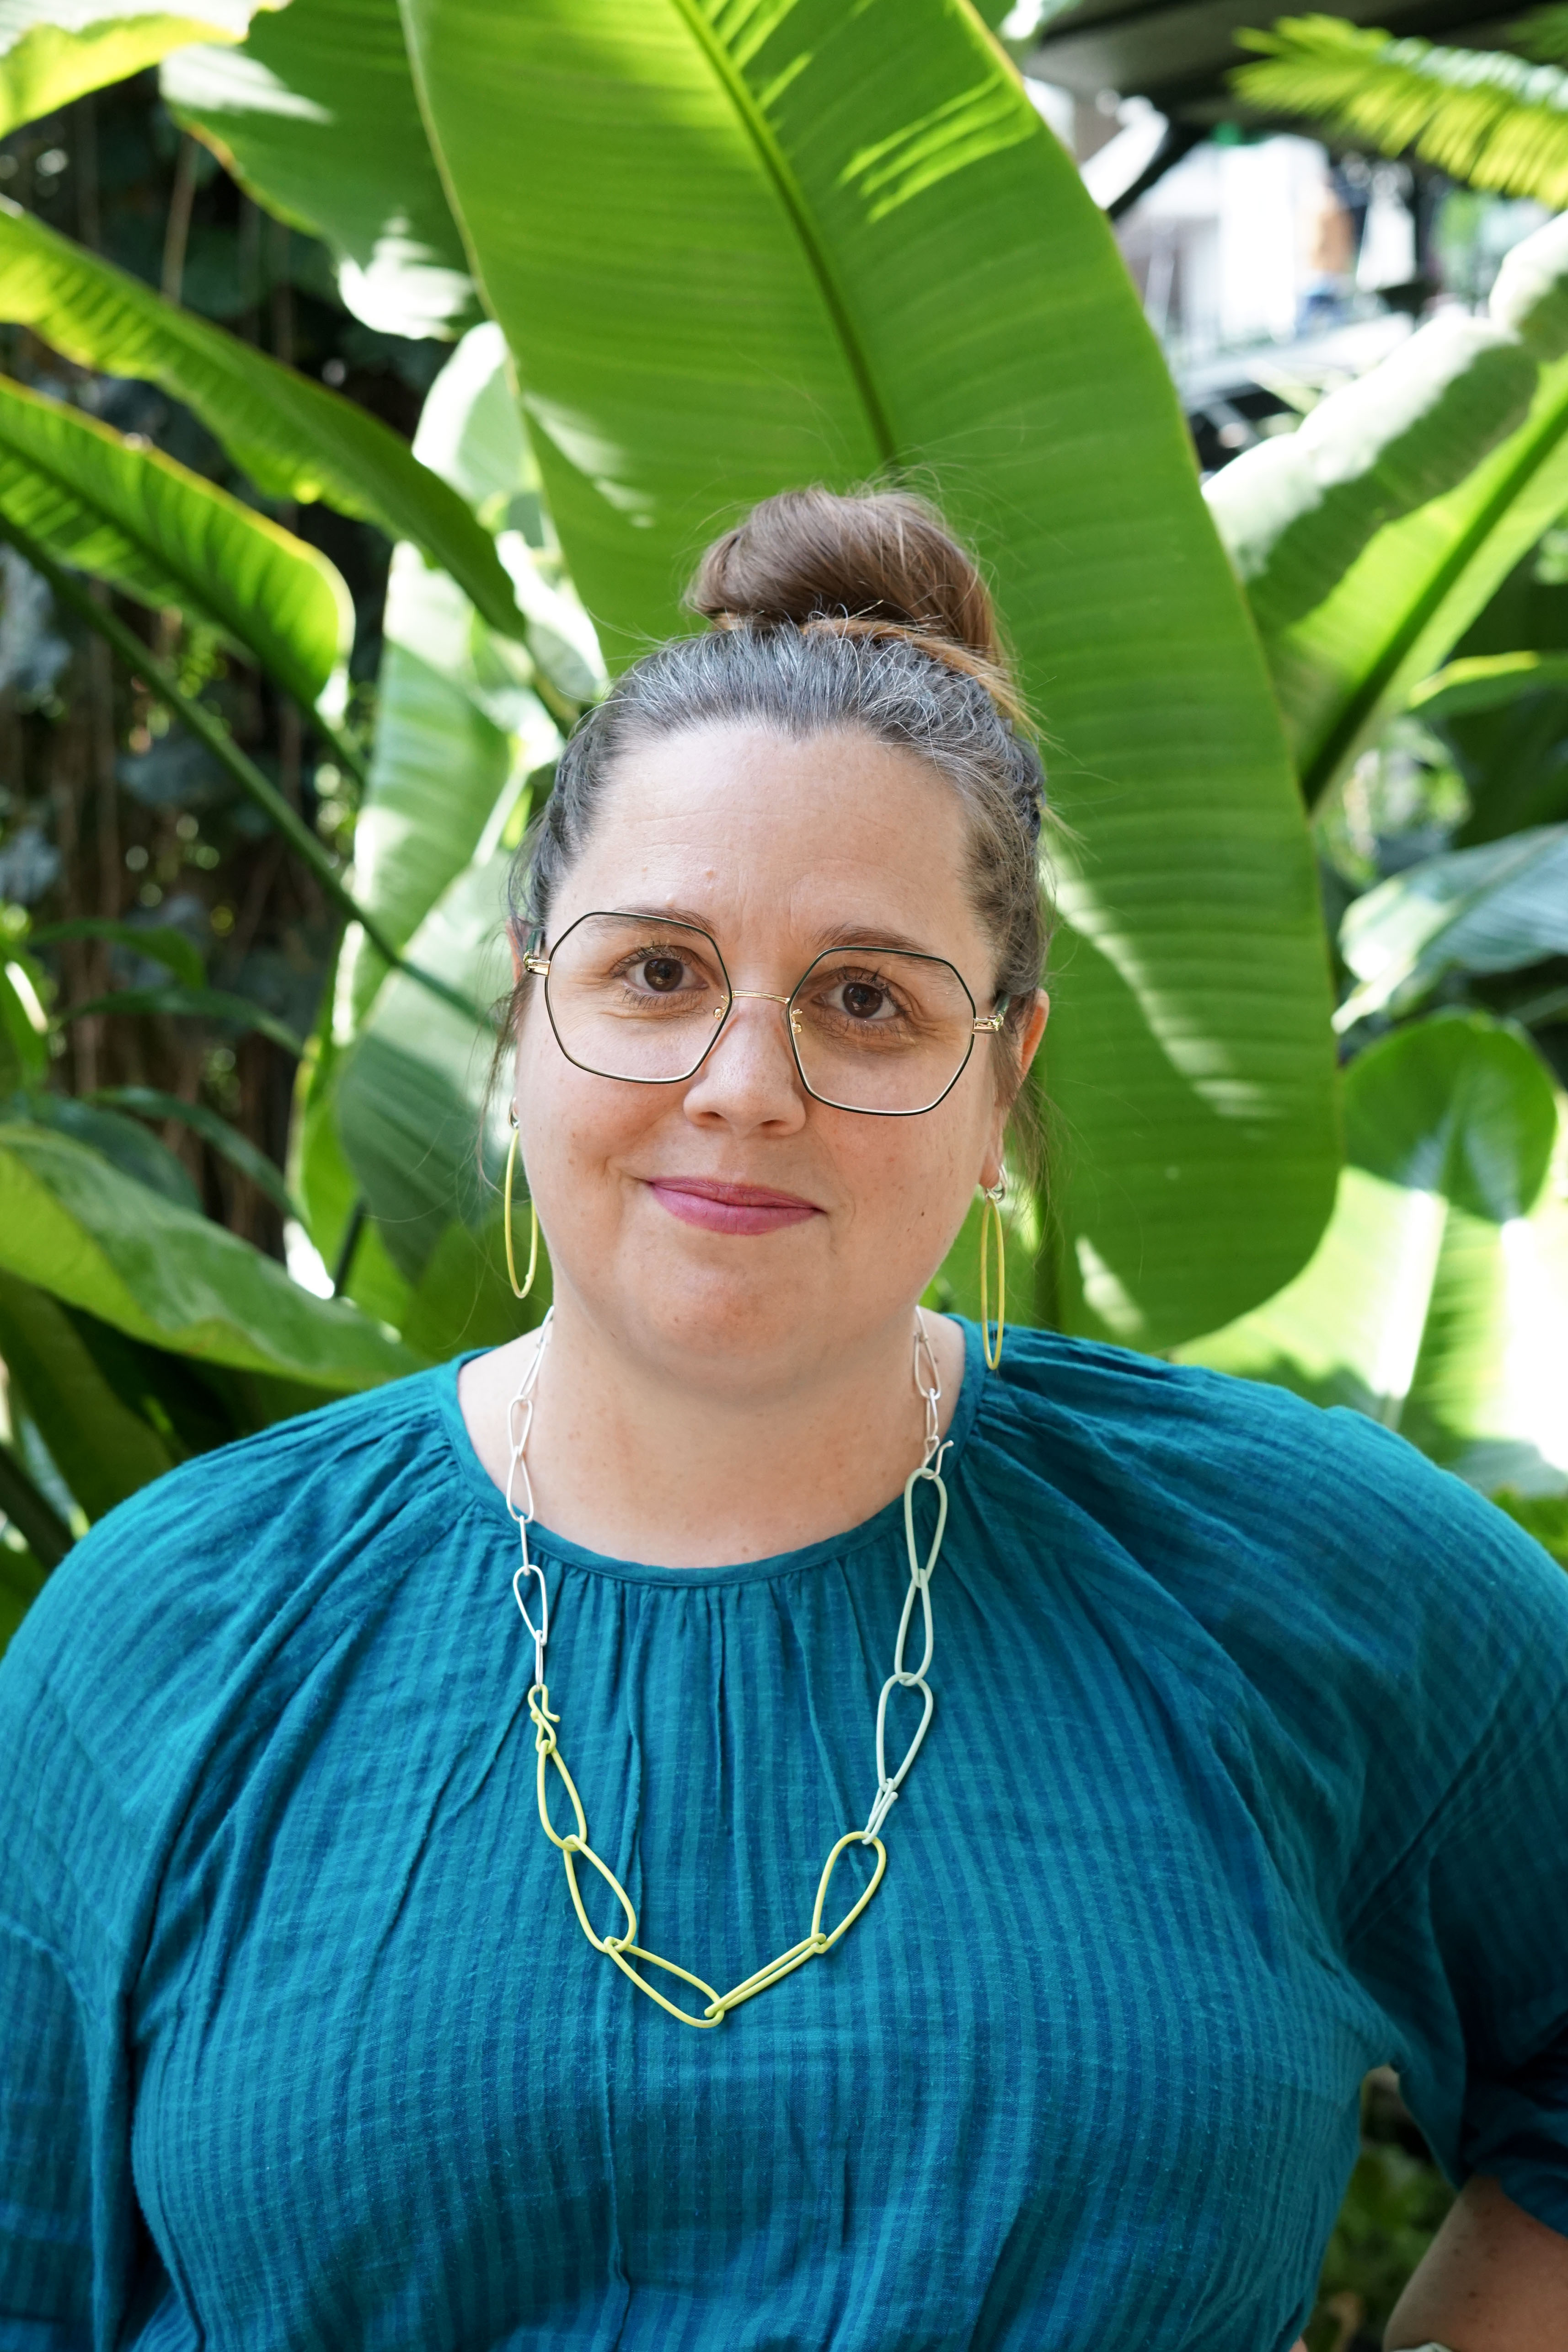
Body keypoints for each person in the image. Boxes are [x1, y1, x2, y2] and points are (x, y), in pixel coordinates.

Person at [1, 488, 1565, 2352]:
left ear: (1002, 1081)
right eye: (656, 971)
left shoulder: (1292, 1573)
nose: (746, 1084)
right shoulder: (174, 1630)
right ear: (528, 1010)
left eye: (868, 1000)